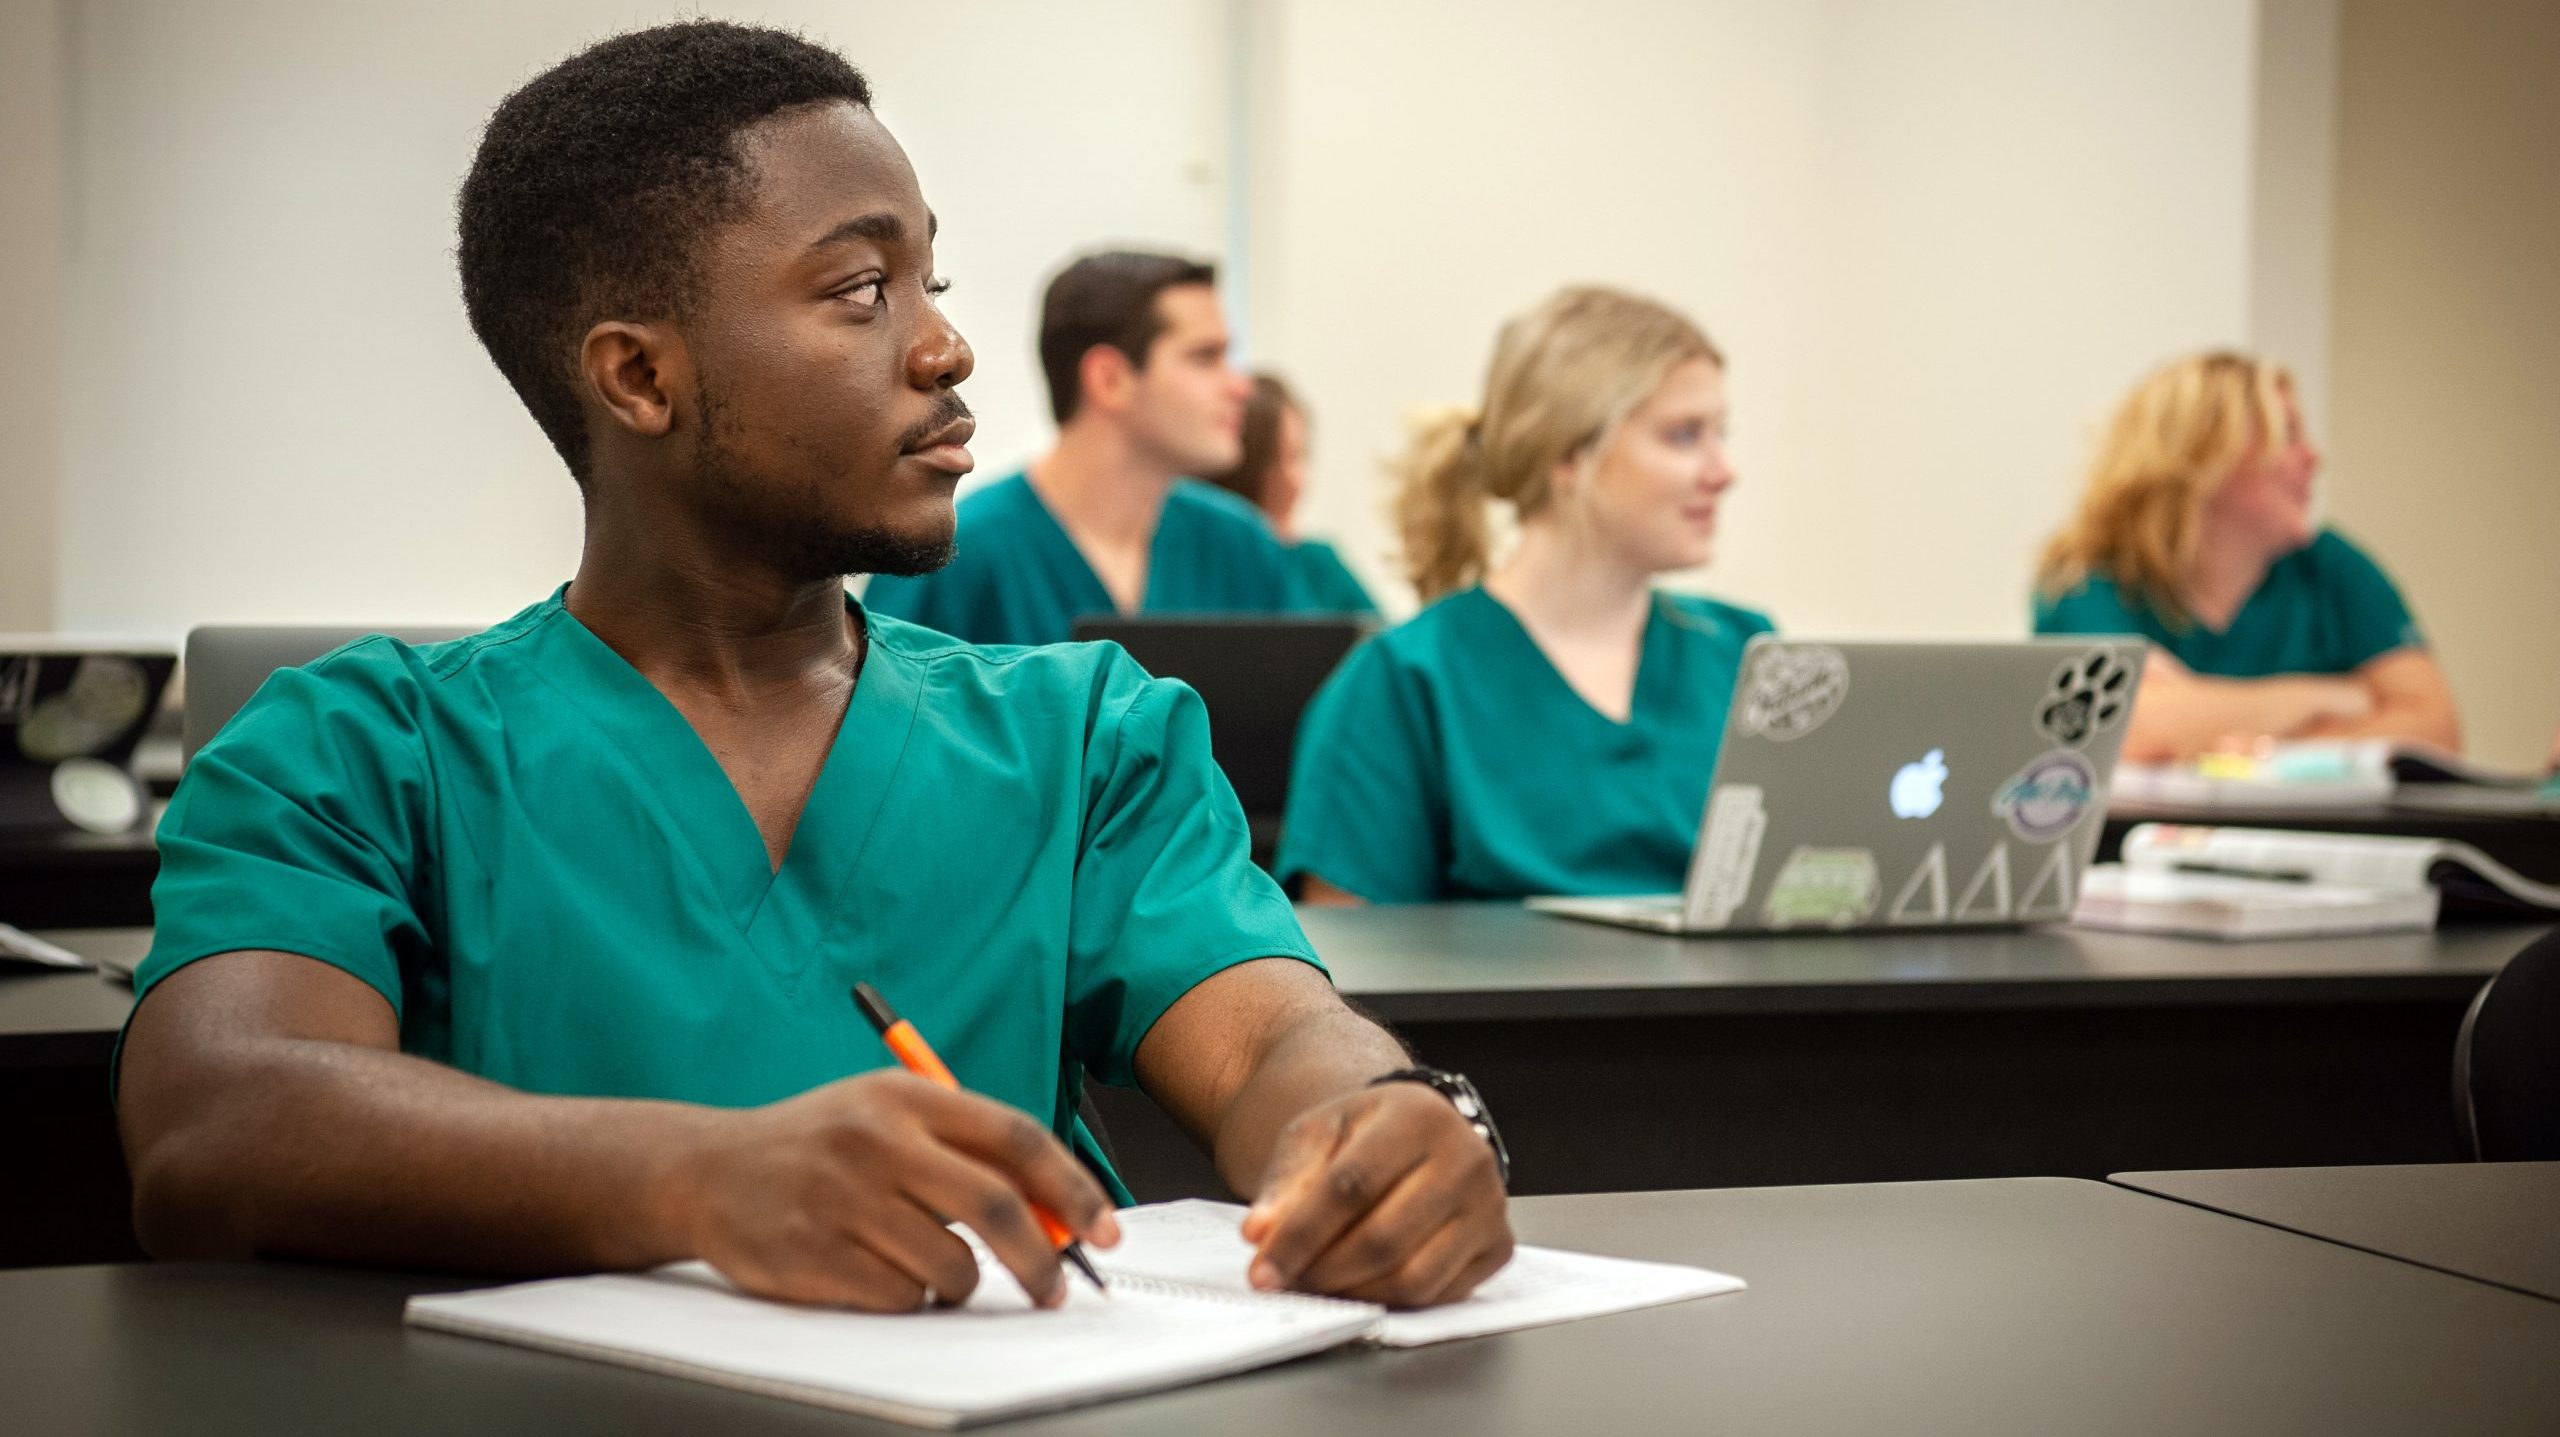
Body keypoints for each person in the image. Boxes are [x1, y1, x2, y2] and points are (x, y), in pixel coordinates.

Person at [114, 22, 1509, 1316]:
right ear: (640, 381)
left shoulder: (1081, 736)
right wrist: (695, 1181)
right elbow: (218, 1123)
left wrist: (1380, 1118)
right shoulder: (359, 753)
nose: (946, 345)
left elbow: (1271, 1038)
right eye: (861, 289)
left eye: (932, 282)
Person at [1277, 288, 1772, 904]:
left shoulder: (1751, 658)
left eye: (1720, 433)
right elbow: (1343, 971)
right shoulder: (1401, 685)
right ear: (1567, 455)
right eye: (1683, 435)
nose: (1724, 471)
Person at [2034, 351, 2460, 761]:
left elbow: (2435, 729)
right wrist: (2341, 697)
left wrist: (2269, 751)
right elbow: (2132, 730)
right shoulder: (2087, 580)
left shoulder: (2331, 568)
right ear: (2205, 454)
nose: (2313, 458)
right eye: (2288, 434)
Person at [863, 252, 1300, 645]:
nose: (1241, 386)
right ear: (1109, 380)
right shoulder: (956, 559)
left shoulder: (1241, 548)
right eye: (1206, 358)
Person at [1203, 373, 1380, 616]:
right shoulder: (1198, 566)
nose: (1293, 480)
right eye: (1272, 460)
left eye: (1298, 456)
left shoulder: (1319, 566)